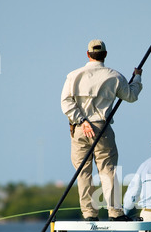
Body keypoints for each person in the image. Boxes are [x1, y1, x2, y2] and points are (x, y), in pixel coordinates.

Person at [61, 39, 143, 221]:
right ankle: (115, 213)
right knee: (107, 171)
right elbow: (131, 96)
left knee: (83, 173)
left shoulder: (73, 76)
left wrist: (81, 120)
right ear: (105, 54)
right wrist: (137, 77)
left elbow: (66, 103)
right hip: (102, 128)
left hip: (79, 130)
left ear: (88, 54)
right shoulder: (115, 76)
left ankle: (89, 214)